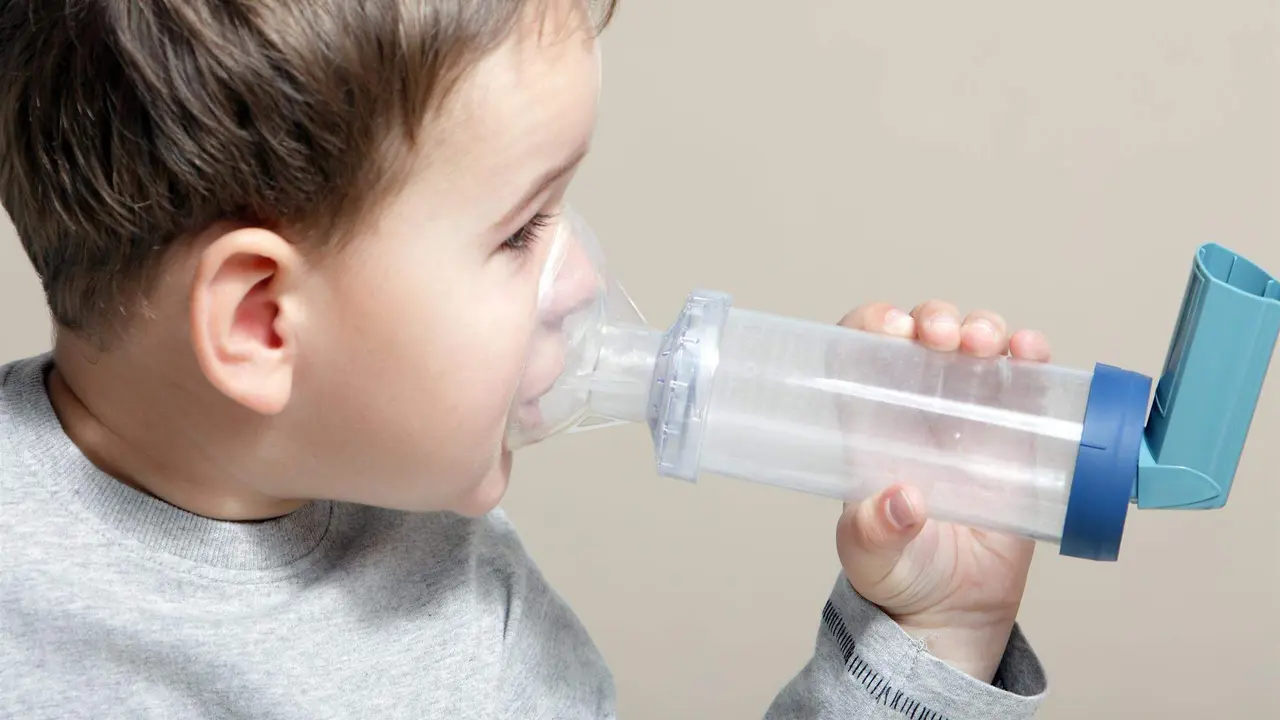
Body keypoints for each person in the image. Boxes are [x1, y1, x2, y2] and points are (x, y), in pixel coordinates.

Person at [0, 0, 1050, 717]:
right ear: (262, 323)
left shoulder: (474, 632)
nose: (581, 280)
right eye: (518, 231)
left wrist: (928, 640)